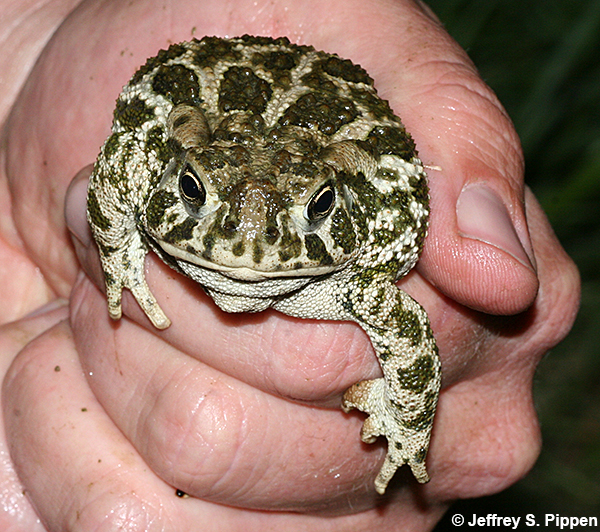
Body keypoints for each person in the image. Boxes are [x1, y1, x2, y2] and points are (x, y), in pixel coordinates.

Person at [0, 0, 580, 530]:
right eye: (195, 193)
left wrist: (405, 419)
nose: (249, 239)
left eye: (313, 209)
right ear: (174, 179)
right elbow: (126, 155)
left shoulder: (360, 271)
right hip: (210, 109)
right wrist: (117, 241)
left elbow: (408, 333)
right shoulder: (155, 155)